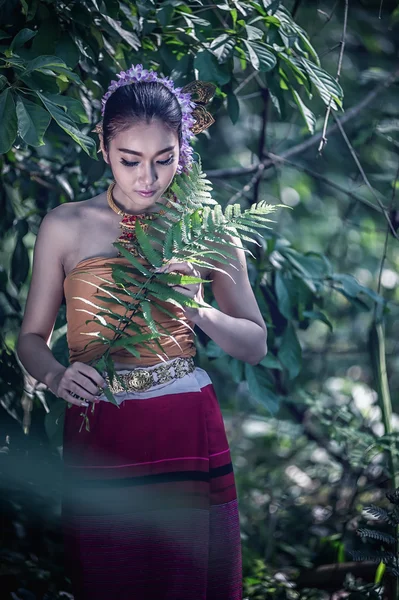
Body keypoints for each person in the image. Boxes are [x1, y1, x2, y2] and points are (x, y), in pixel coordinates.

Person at [16, 64, 267, 600]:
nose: (147, 178)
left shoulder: (206, 229)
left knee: (188, 577)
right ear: (104, 148)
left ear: (183, 151)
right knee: (111, 573)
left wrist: (198, 308)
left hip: (185, 419)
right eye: (130, 160)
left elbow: (254, 342)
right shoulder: (66, 225)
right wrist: (58, 376)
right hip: (101, 425)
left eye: (164, 159)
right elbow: (30, 340)